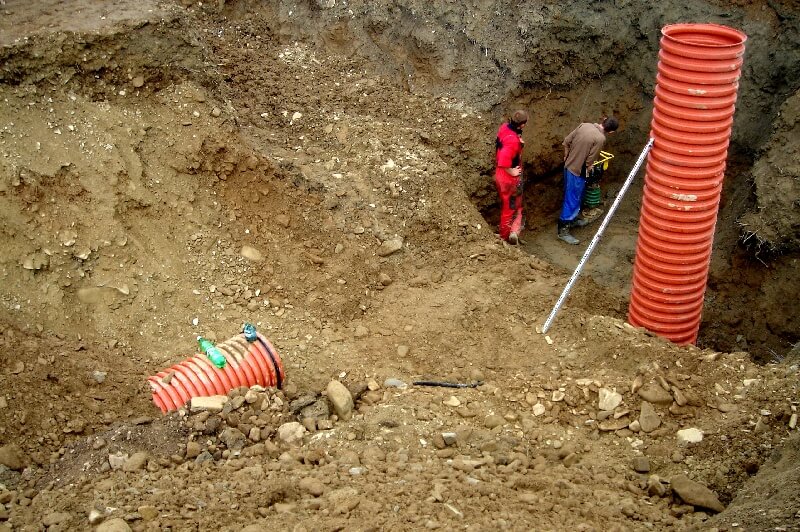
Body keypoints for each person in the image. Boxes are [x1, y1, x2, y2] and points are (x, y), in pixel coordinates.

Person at [558, 116, 619, 245]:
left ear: (603, 120)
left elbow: (566, 141)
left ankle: (572, 219)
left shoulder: (584, 125)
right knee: (572, 199)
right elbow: (590, 161)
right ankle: (563, 231)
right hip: (577, 172)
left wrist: (567, 156)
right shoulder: (600, 138)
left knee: (575, 196)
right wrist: (590, 169)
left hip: (568, 166)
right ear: (611, 132)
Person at [494, 110, 528, 245]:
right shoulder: (512, 142)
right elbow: (503, 159)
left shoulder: (505, 127)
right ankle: (506, 237)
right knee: (511, 207)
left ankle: (510, 232)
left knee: (511, 205)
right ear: (522, 124)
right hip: (508, 180)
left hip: (500, 176)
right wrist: (512, 171)